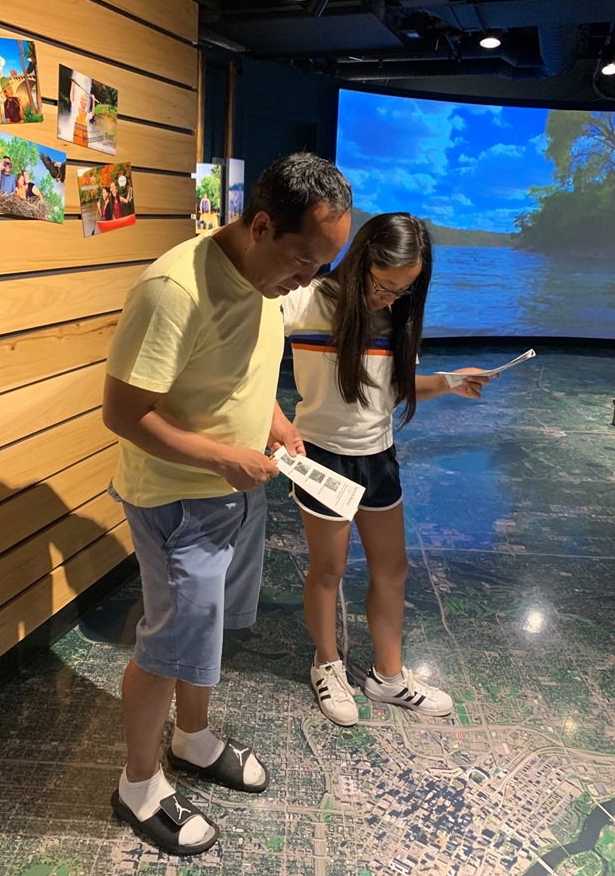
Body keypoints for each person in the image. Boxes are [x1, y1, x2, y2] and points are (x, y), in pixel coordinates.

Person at [102, 152, 352, 856]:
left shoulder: (267, 279)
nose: (307, 280)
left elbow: (237, 373)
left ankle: (192, 736)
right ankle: (138, 784)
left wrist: (273, 421)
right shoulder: (175, 289)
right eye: (304, 261)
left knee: (205, 633)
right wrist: (222, 457)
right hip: (179, 500)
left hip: (236, 493)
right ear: (262, 225)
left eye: (322, 267)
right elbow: (123, 413)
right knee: (168, 643)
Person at [281, 213, 494, 728]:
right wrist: (271, 418)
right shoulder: (308, 300)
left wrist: (449, 381)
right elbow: (246, 352)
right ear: (361, 261)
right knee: (328, 569)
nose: (390, 297)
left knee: (392, 569)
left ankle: (388, 676)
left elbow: (391, 388)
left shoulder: (398, 316)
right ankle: (327, 665)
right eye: (383, 284)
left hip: (378, 456)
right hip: (322, 456)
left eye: (404, 289)